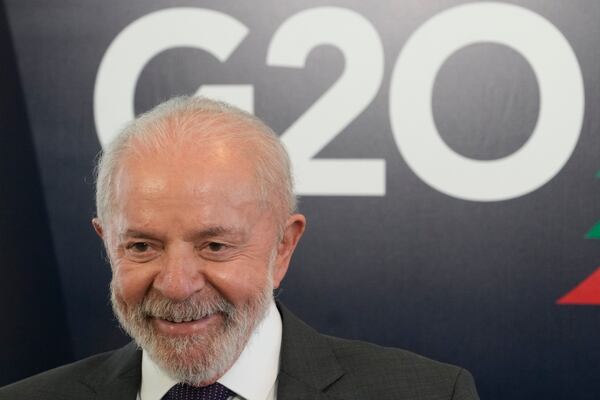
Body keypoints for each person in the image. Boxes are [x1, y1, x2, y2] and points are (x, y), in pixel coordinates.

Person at [0, 96, 479, 400]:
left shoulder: (430, 393)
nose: (177, 285)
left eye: (213, 245)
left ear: (283, 246)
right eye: (143, 246)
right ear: (108, 245)